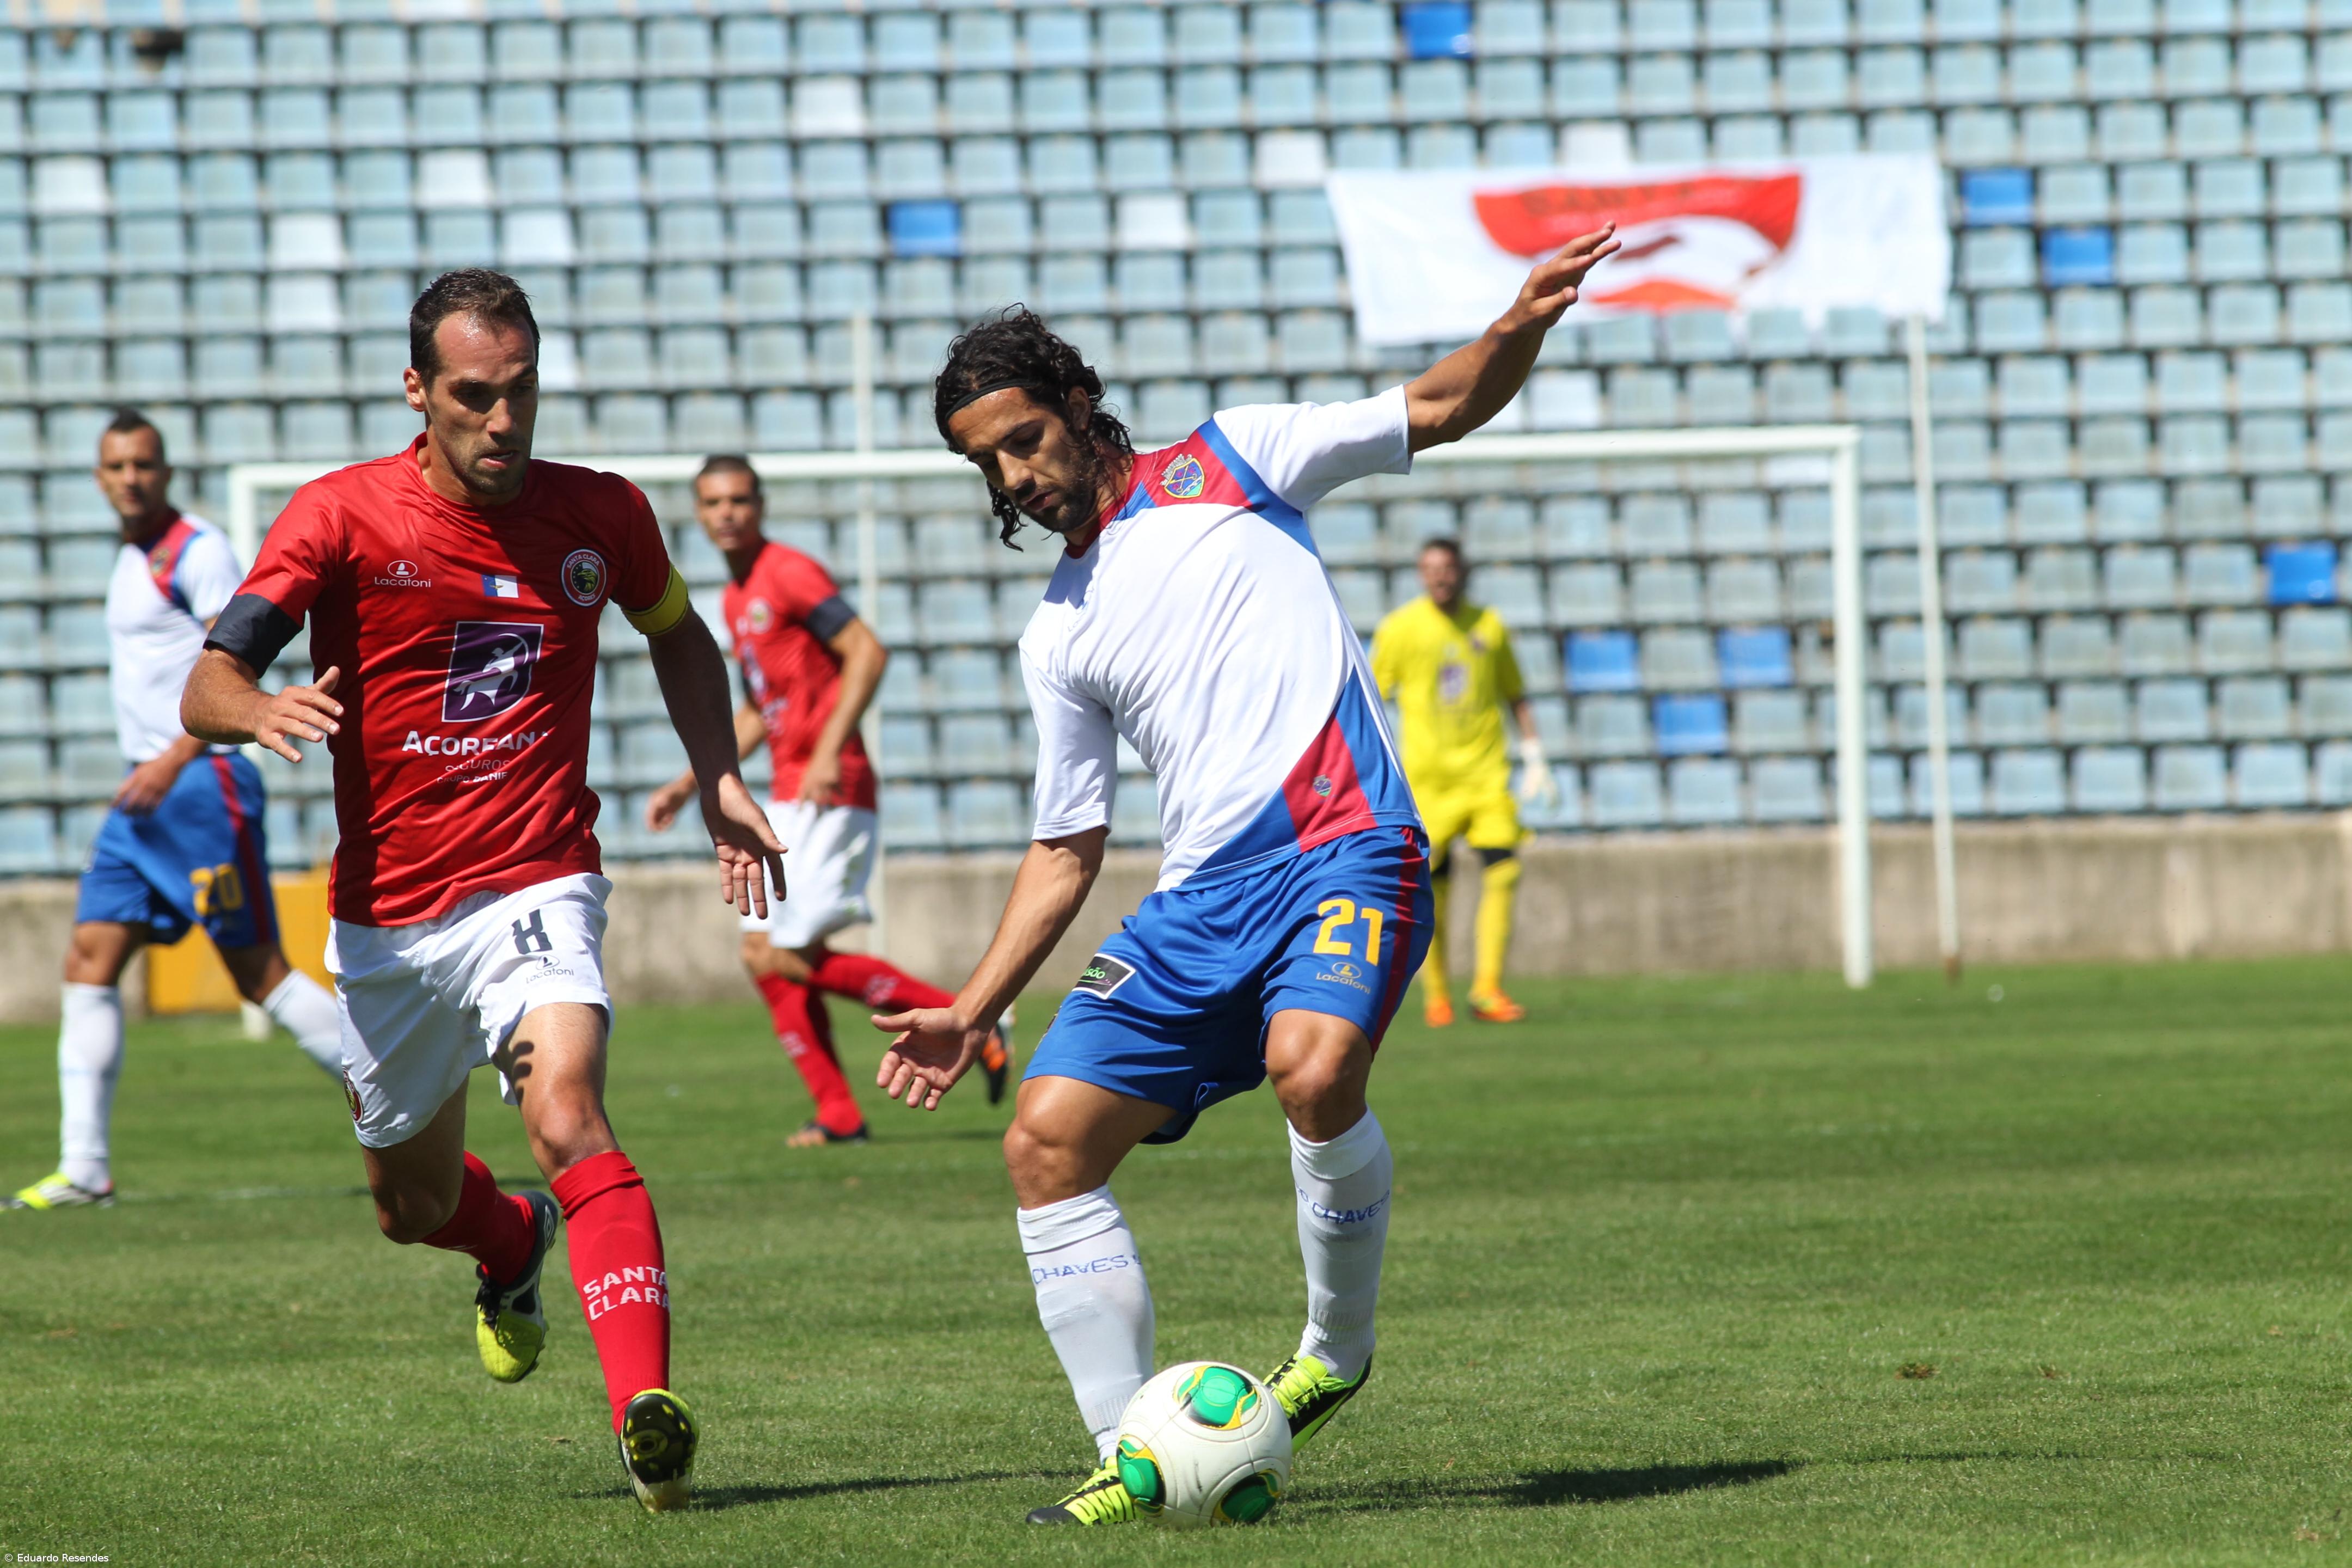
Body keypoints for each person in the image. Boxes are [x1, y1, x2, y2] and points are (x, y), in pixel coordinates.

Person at [873, 225, 1619, 1524]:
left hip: (1346, 848)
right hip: (1199, 901)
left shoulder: (1236, 455)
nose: (1012, 474)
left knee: (1315, 1066)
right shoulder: (1057, 632)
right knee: (1044, 1142)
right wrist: (974, 1003)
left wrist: (1524, 323)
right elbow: (1067, 845)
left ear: (1077, 406)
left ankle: (1334, 1352)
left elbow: (1440, 405)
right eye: (984, 461)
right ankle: (1135, 1458)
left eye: (1024, 439)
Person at [180, 270, 786, 1513]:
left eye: (521, 394)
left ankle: (644, 1421)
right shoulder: (339, 518)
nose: (503, 422)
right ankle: (510, 1243)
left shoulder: (602, 515)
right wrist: (257, 706)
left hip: (537, 876)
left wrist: (718, 774)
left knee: (567, 1109)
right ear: (419, 391)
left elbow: (677, 630)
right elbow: (209, 681)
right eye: (473, 397)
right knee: (410, 1206)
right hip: (389, 920)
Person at [5, 409, 348, 1213]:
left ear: (166, 471)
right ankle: (84, 1167)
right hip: (144, 793)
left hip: (198, 783)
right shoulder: (131, 559)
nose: (131, 478)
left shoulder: (198, 552)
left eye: (144, 464)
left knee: (257, 974)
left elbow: (227, 677)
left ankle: (404, 1090)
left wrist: (169, 761)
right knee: (89, 962)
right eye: (117, 466)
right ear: (99, 477)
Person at [642, 456, 1010, 1146]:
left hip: (830, 786)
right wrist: (692, 780)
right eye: (714, 502)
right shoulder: (732, 596)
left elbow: (866, 651)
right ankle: (840, 1111)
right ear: (698, 512)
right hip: (788, 792)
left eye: (740, 499)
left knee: (777, 956)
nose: (728, 512)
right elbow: (763, 707)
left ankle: (970, 1019)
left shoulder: (788, 571)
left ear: (761, 503)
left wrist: (824, 749)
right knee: (767, 953)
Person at [1370, 537, 1559, 1027]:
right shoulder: (1401, 629)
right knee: (1433, 887)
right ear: (1420, 573)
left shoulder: (1489, 626)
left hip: (1485, 774)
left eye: (1447, 568)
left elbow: (1514, 693)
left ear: (1462, 571)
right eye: (1430, 568)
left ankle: (1487, 988)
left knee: (1505, 868)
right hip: (1429, 781)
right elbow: (1371, 698)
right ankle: (1437, 996)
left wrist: (1535, 754)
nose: (1440, 577)